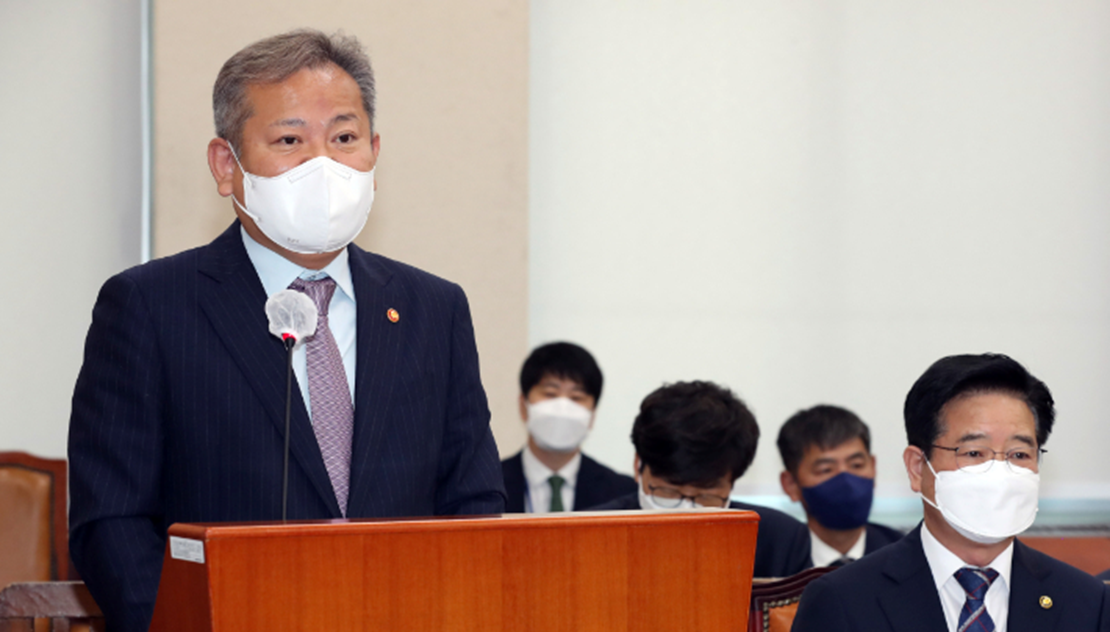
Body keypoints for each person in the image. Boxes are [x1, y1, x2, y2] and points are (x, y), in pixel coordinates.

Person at [67, 29, 505, 632]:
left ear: (375, 152)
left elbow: (472, 504)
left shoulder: (433, 309)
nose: (323, 164)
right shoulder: (149, 307)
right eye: (290, 140)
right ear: (227, 165)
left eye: (344, 138)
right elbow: (111, 521)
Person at [792, 353, 1110, 631]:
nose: (999, 473)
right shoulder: (842, 599)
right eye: (973, 453)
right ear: (918, 468)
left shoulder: (1088, 602)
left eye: (1019, 454)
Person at [592, 381, 810, 578]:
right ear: (638, 465)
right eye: (668, 492)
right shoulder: (590, 535)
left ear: (732, 482)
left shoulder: (781, 542)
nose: (685, 512)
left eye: (706, 496)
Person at [501, 342, 637, 512]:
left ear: (592, 414)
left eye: (576, 397)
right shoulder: (487, 486)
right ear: (523, 405)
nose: (563, 408)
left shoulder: (623, 491)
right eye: (550, 393)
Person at [777, 404, 903, 567]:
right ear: (790, 484)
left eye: (856, 465)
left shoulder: (908, 556)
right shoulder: (769, 562)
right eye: (826, 469)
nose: (846, 481)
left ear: (873, 467)